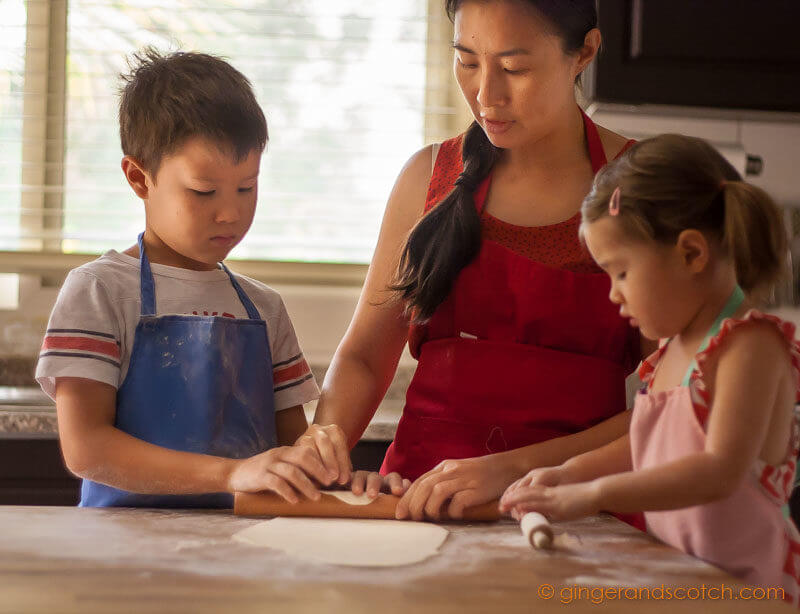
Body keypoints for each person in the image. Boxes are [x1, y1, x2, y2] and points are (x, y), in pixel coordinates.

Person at [308, 0, 652, 522]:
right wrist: (323, 452)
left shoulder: (641, 189)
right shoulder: (430, 177)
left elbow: (667, 404)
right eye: (467, 61)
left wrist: (510, 470)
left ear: (584, 52)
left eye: (514, 68)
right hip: (418, 503)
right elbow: (363, 357)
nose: (486, 95)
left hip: (575, 511)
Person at [35, 49, 349, 508]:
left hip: (243, 554)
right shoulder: (100, 291)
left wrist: (329, 469)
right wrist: (231, 473)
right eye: (204, 191)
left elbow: (291, 454)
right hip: (121, 555)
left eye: (247, 186)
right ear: (139, 179)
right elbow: (87, 449)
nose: (232, 212)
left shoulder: (265, 308)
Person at [500, 134, 800, 602]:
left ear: (691, 254)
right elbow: (647, 447)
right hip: (687, 582)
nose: (614, 294)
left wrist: (594, 495)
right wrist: (569, 472)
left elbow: (718, 470)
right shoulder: (670, 352)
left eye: (621, 272)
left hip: (749, 592)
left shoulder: (750, 346)